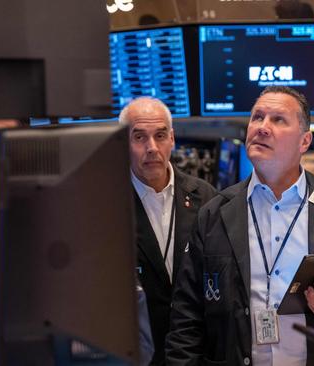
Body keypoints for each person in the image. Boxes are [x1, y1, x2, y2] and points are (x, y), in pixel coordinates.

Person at [166, 86, 314, 365]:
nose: (262, 127)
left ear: (304, 141)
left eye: (278, 120)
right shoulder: (215, 213)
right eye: (257, 117)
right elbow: (186, 317)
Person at [119, 97, 217, 365]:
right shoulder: (107, 203)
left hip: (195, 352)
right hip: (136, 352)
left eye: (160, 135)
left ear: (172, 139)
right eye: (139, 137)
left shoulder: (206, 197)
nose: (152, 148)